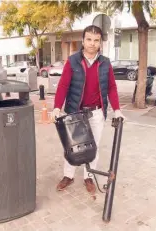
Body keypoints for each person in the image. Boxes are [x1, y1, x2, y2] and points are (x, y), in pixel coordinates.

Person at [51, 25, 125, 197]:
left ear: (100, 43)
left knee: (94, 147)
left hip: (96, 113)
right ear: (83, 41)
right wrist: (56, 107)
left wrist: (117, 110)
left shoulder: (105, 63)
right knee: (72, 146)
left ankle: (89, 177)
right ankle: (68, 175)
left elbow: (112, 88)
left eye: (96, 40)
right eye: (89, 39)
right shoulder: (73, 61)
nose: (92, 43)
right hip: (75, 113)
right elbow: (63, 85)